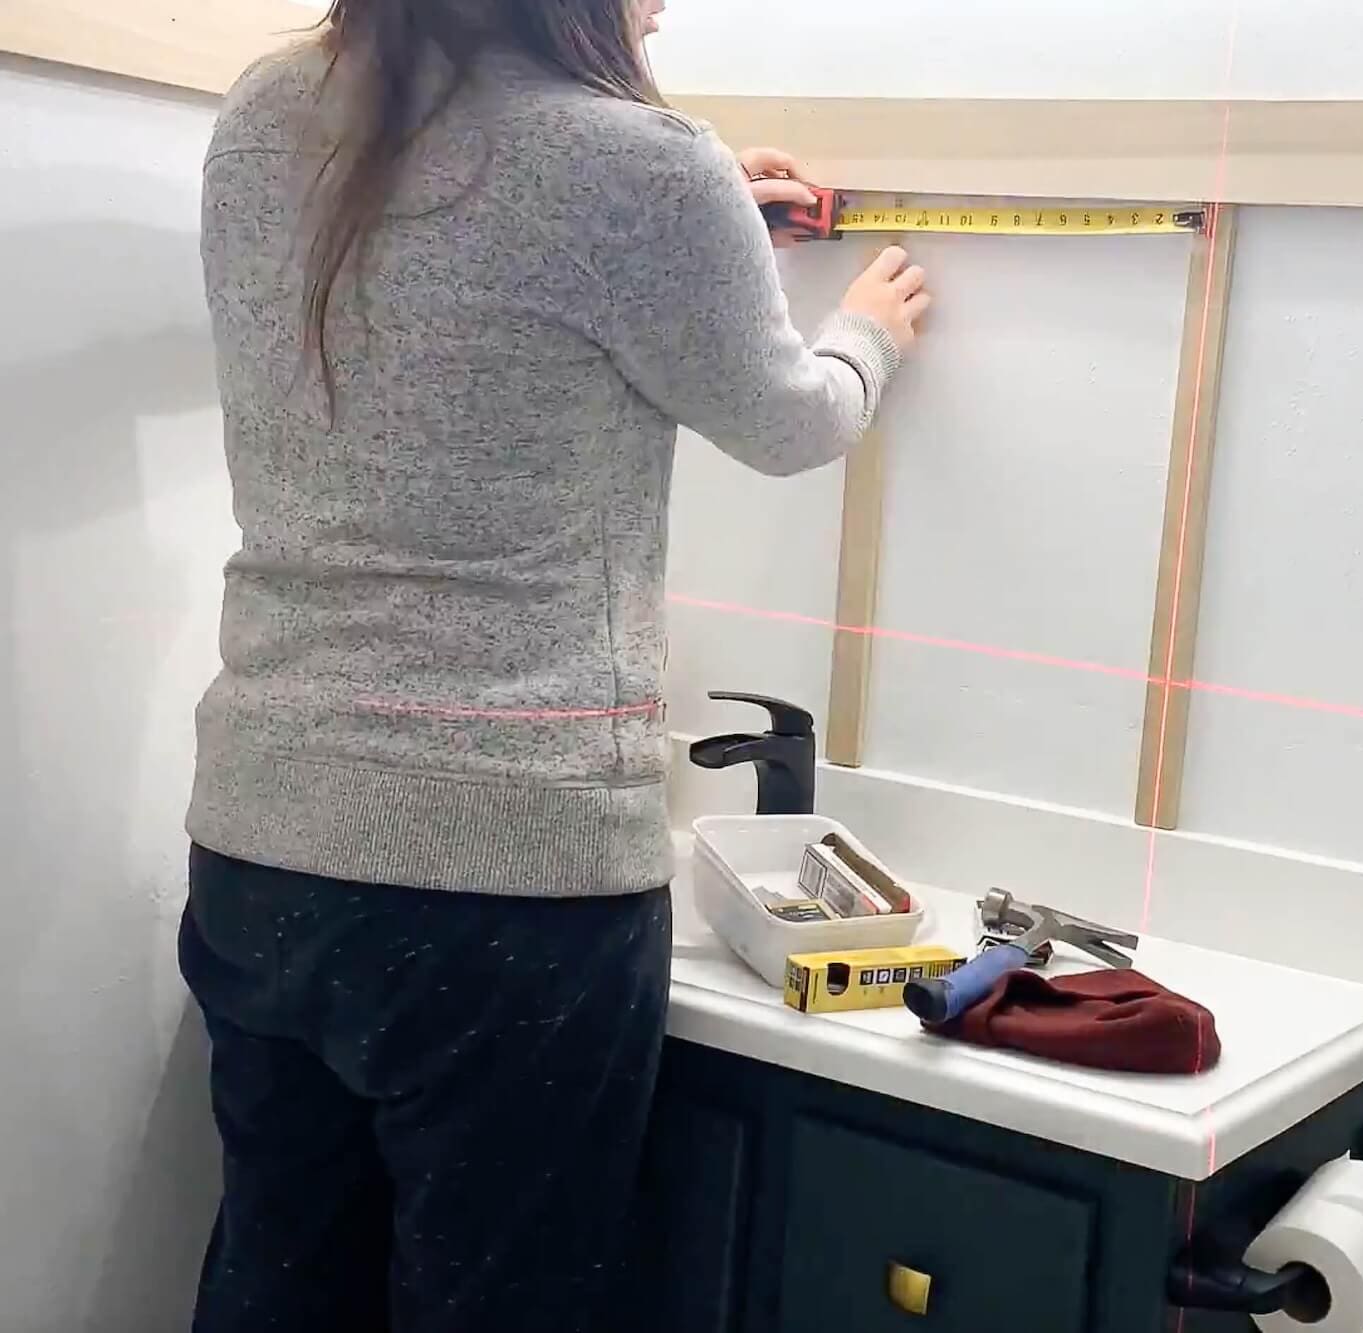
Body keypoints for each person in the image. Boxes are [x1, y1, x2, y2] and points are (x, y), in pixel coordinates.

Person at [176, 0, 930, 1326]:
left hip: (260, 846)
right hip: (507, 888)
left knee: (279, 1287)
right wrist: (867, 327)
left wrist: (697, 225)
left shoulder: (260, 118)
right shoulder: (642, 167)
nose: (666, 5)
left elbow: (463, 234)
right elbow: (792, 418)